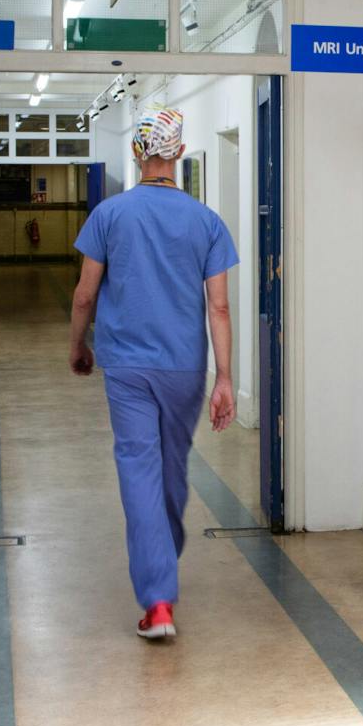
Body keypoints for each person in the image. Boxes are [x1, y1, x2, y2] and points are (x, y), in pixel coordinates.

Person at [69, 108, 239, 641]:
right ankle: (160, 572)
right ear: (180, 153)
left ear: (140, 154)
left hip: (125, 367)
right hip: (184, 367)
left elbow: (85, 294)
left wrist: (78, 345)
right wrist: (225, 378)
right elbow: (219, 309)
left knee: (139, 471)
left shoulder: (110, 214)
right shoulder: (207, 222)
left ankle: (158, 599)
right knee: (169, 470)